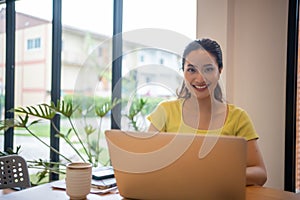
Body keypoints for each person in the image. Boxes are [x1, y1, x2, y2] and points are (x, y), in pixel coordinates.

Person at [147, 38, 267, 186]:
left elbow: (260, 174)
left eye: (208, 69)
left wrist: (215, 176)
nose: (200, 78)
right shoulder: (164, 112)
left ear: (220, 70)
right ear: (183, 71)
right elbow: (148, 164)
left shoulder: (238, 117)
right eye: (191, 69)